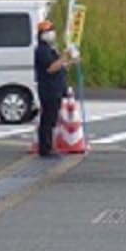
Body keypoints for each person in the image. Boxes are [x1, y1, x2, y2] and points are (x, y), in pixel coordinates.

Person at [34, 19, 75, 157]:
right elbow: (51, 68)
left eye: (51, 30)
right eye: (47, 31)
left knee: (51, 119)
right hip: (48, 89)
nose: (51, 33)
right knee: (48, 119)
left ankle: (49, 146)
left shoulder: (51, 49)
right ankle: (45, 148)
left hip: (55, 88)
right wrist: (64, 58)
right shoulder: (42, 50)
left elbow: (59, 66)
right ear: (41, 34)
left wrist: (70, 61)